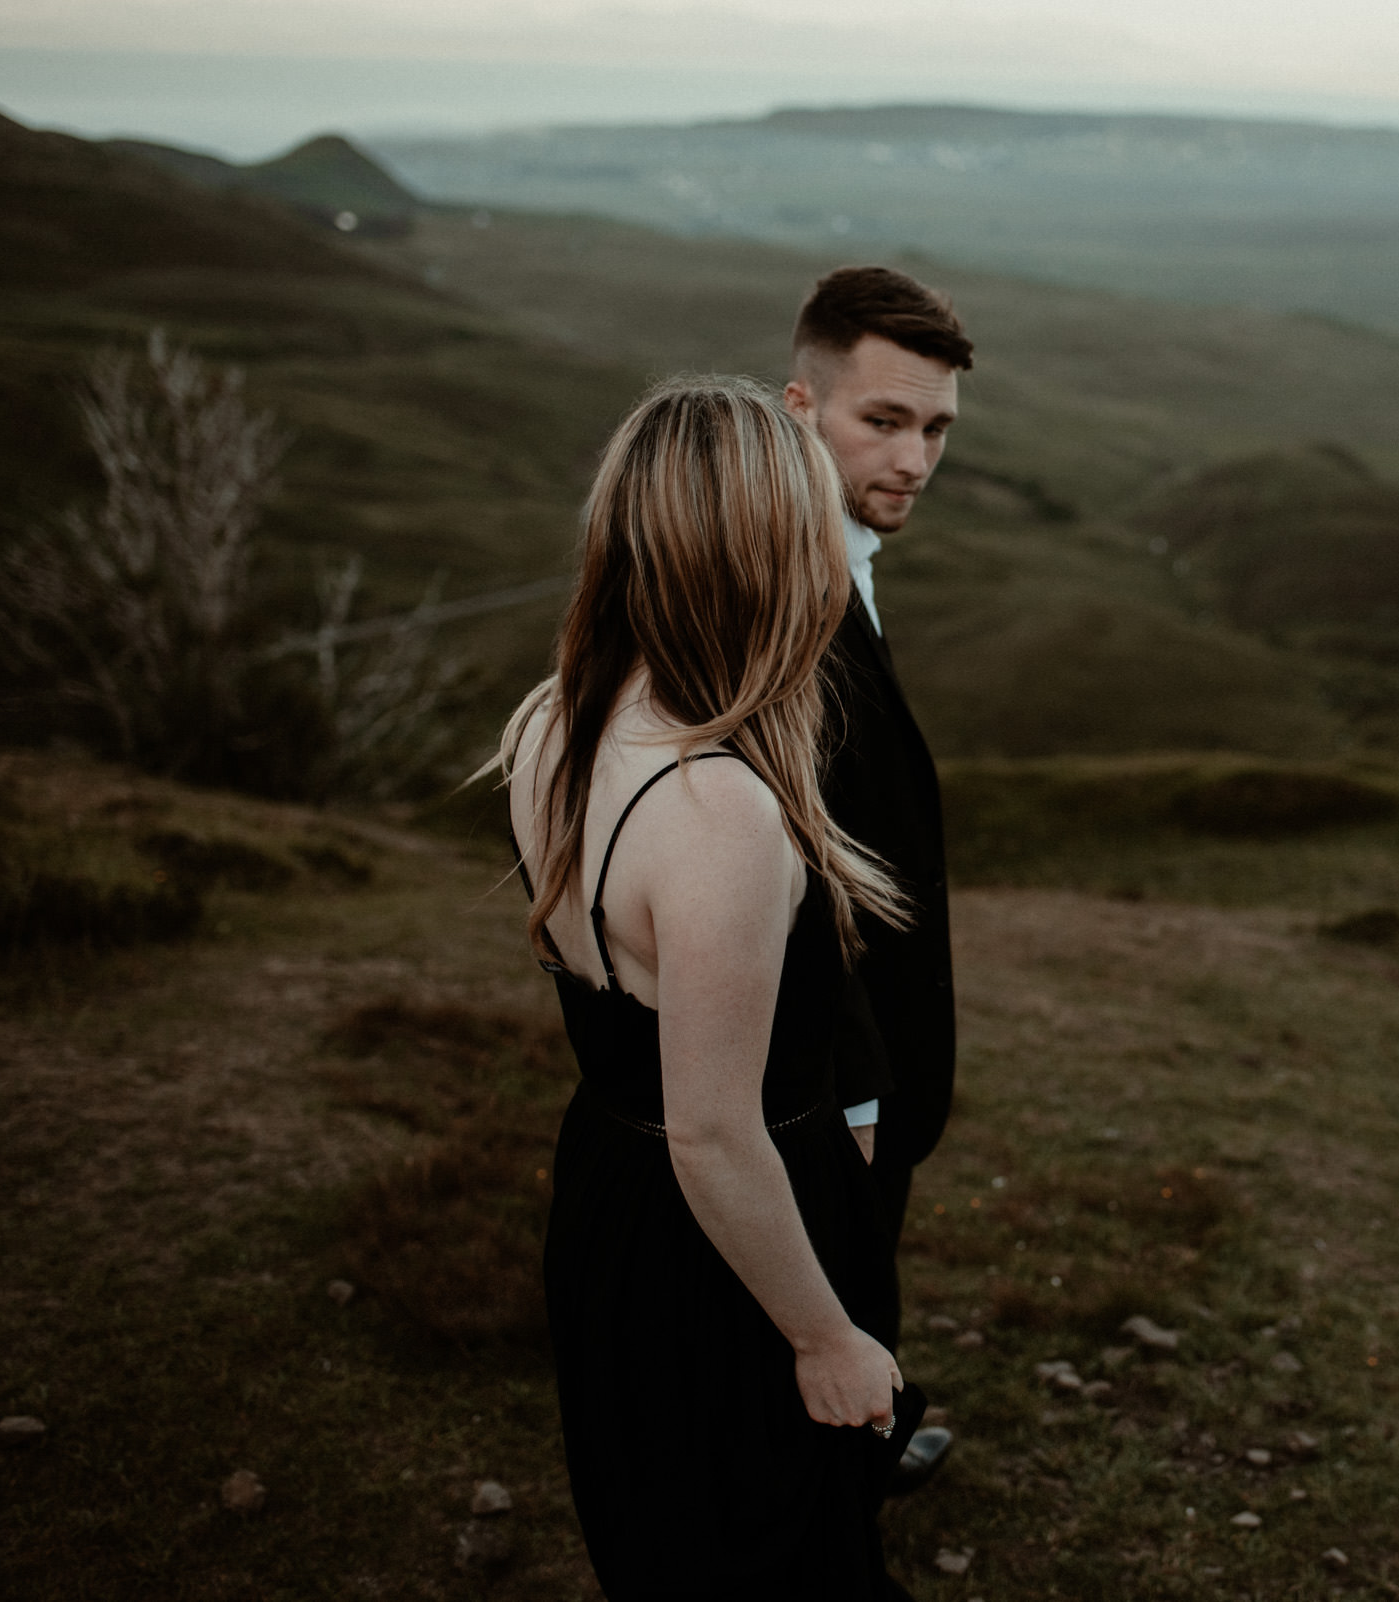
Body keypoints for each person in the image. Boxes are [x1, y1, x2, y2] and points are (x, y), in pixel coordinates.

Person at [498, 376, 922, 1598]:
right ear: (767, 554)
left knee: (664, 1531)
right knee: (776, 1550)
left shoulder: (552, 719)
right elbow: (717, 1133)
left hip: (609, 1204)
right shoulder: (715, 809)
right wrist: (826, 1336)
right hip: (725, 1247)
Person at [781, 267, 972, 1490]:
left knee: (865, 1267)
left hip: (876, 1056)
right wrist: (852, 1089)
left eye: (937, 429)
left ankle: (870, 1438)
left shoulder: (844, 555)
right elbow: (785, 867)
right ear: (801, 409)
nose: (914, 458)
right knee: (819, 1291)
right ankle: (837, 1480)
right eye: (883, 421)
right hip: (829, 1067)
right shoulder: (782, 594)